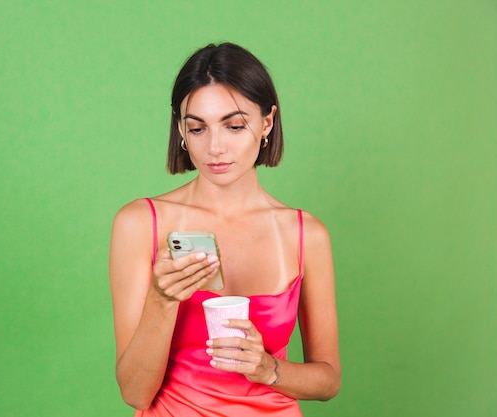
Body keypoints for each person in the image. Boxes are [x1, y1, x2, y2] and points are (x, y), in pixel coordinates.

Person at [109, 42, 340, 416]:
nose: (215, 147)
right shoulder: (140, 223)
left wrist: (269, 369)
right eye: (197, 128)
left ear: (266, 123)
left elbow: (328, 379)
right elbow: (135, 393)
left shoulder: (306, 234)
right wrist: (162, 300)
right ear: (181, 131)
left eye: (234, 126)